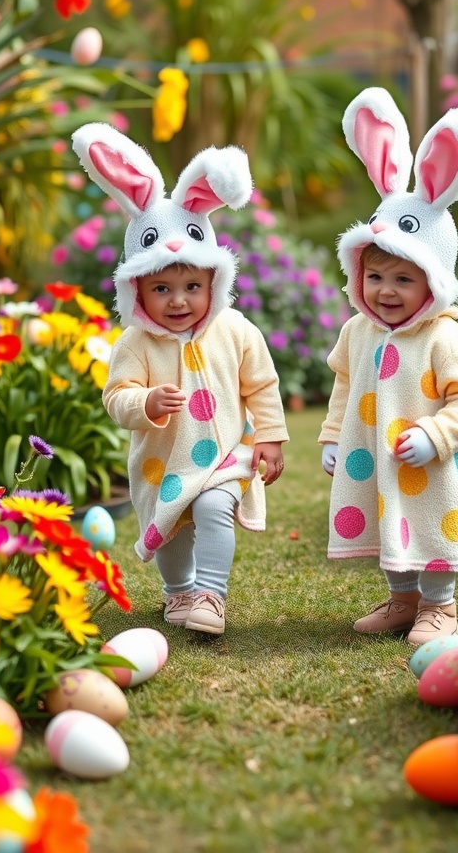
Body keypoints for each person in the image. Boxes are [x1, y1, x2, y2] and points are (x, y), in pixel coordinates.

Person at [72, 122, 288, 636]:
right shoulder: (137, 344)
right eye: (161, 287)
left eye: (192, 284)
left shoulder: (234, 330)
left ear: (214, 280)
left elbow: (262, 384)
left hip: (223, 456)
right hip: (162, 462)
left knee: (214, 509)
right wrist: (144, 401)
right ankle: (178, 591)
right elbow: (115, 396)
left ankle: (210, 596)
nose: (178, 300)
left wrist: (273, 436)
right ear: (136, 292)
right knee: (170, 530)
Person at [318, 87, 458, 646]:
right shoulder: (358, 331)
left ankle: (439, 605)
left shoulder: (443, 337)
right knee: (388, 518)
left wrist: (437, 434)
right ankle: (403, 599)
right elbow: (346, 384)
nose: (386, 291)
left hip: (432, 459)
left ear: (434, 279)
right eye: (375, 276)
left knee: (431, 523)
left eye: (403, 278)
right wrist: (330, 436)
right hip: (378, 451)